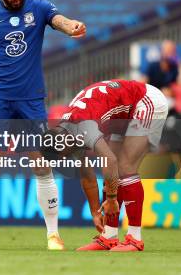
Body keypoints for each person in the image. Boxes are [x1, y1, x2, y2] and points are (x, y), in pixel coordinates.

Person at [0, 0, 86, 250]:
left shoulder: (39, 7)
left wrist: (71, 26)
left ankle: (53, 234)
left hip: (31, 98)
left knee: (41, 163)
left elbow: (59, 20)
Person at [55, 79, 168, 251]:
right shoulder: (66, 133)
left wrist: (112, 199)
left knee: (124, 166)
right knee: (112, 169)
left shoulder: (82, 128)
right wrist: (95, 212)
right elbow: (87, 176)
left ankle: (135, 239)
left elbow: (111, 161)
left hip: (146, 100)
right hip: (122, 113)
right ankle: (109, 236)